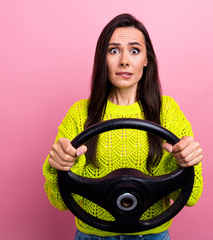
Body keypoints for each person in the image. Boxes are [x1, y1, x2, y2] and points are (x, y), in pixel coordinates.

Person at [43, 13, 203, 240]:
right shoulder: (80, 114)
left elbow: (191, 197)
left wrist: (187, 161)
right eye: (114, 50)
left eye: (135, 51)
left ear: (147, 59)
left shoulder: (167, 111)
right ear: (103, 58)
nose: (125, 61)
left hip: (151, 236)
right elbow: (60, 200)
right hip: (93, 236)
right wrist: (61, 164)